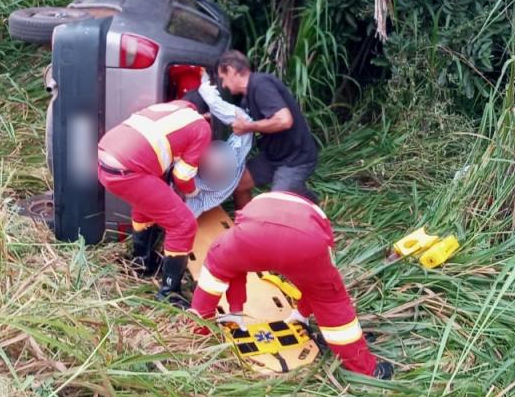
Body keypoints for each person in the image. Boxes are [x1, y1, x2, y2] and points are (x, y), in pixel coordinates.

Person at [188, 190, 393, 379]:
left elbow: (233, 271)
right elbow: (314, 285)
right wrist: (303, 311)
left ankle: (197, 335)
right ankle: (367, 370)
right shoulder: (316, 217)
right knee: (331, 302)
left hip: (250, 236)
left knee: (212, 280)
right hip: (306, 243)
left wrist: (235, 309)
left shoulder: (260, 203)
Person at [97, 93, 212, 307]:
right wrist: (194, 192)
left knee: (146, 205)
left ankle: (142, 262)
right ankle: (169, 292)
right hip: (128, 169)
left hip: (105, 158)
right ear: (206, 114)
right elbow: (182, 176)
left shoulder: (170, 109)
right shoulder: (201, 125)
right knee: (184, 224)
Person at [215, 50, 318, 207]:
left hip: (296, 159)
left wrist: (247, 127)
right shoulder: (246, 99)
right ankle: (247, 222)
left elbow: (284, 120)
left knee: (275, 203)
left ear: (231, 70)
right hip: (272, 157)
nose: (223, 85)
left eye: (223, 79)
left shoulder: (261, 85)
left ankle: (308, 201)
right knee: (238, 184)